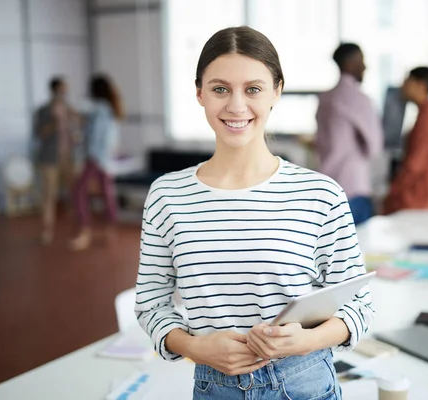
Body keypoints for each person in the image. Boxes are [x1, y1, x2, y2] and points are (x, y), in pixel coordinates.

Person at [134, 27, 373, 399]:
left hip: (305, 382)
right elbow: (150, 303)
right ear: (199, 93)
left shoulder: (320, 193)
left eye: (253, 89)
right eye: (220, 89)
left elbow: (359, 306)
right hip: (215, 386)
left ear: (276, 90)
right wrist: (195, 348)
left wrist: (305, 340)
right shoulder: (168, 195)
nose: (236, 106)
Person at [315, 43, 383, 225]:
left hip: (328, 188)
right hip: (354, 188)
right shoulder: (360, 99)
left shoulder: (324, 98)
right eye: (361, 61)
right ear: (349, 63)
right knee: (361, 251)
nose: (365, 67)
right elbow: (374, 147)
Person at [383, 67, 428, 214]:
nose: (403, 86)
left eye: (408, 81)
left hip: (424, 199)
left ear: (422, 85)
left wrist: (393, 191)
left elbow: (414, 165)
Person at [70, 74, 123, 251]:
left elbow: (96, 135)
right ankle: (109, 229)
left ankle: (85, 231)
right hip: (106, 158)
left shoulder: (100, 108)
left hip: (96, 157)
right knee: (107, 193)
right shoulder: (110, 109)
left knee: (79, 192)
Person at [33, 76, 79, 245]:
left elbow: (76, 129)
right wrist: (54, 122)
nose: (64, 93)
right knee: (49, 195)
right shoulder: (43, 110)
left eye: (66, 90)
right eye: (62, 90)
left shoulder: (69, 109)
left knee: (74, 193)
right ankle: (47, 231)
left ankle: (76, 229)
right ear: (54, 90)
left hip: (68, 157)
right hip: (49, 159)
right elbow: (38, 133)